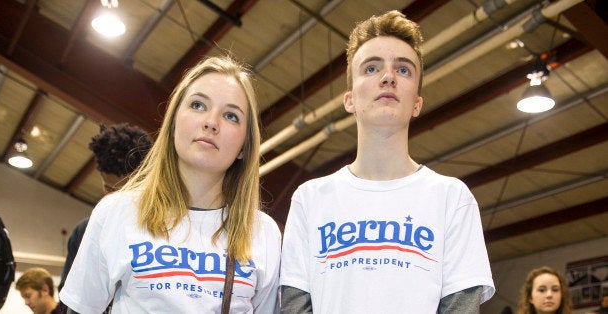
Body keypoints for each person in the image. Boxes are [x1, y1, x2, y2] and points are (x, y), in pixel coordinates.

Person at [279, 10, 495, 313]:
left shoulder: (452, 199)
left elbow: (461, 306)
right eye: (371, 68)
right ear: (350, 99)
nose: (388, 77)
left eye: (404, 70)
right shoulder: (310, 199)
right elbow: (294, 305)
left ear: (417, 103)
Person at [59, 55, 281, 313]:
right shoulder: (116, 212)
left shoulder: (263, 232)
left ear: (244, 146)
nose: (211, 122)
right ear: (174, 122)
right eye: (198, 105)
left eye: (231, 116)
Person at [57, 123, 153, 313]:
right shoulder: (86, 231)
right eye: (110, 189)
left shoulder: (168, 229)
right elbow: (70, 300)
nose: (116, 199)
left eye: (128, 190)